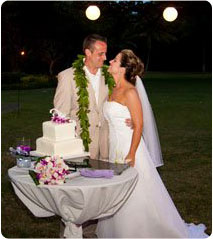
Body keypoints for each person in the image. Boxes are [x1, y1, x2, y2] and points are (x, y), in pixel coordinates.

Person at [96, 49, 208, 238]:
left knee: (137, 192)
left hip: (129, 149)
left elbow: (139, 124)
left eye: (115, 60)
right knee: (116, 191)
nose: (111, 62)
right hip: (115, 146)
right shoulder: (113, 89)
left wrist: (131, 153)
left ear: (123, 69)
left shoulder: (130, 91)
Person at [54, 34, 111, 160]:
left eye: (105, 53)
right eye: (100, 54)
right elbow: (61, 116)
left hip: (107, 144)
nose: (105, 58)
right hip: (80, 145)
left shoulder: (110, 75)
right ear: (88, 52)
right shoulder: (68, 77)